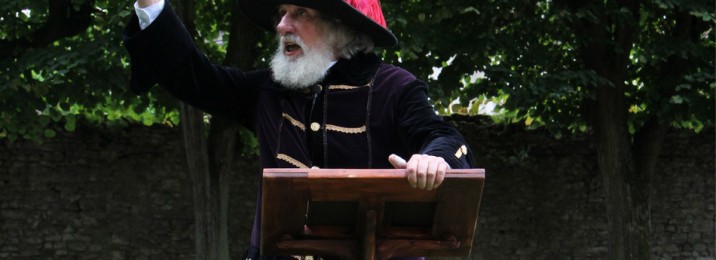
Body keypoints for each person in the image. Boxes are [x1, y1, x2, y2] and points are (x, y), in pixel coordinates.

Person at [124, 0, 475, 258]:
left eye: (300, 13)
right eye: (282, 13)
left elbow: (444, 138)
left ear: (340, 26)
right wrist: (150, 5)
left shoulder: (395, 88)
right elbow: (191, 75)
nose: (282, 26)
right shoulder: (268, 91)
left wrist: (434, 161)